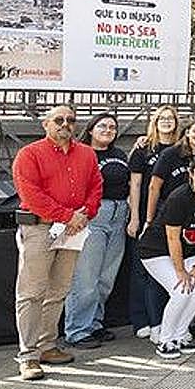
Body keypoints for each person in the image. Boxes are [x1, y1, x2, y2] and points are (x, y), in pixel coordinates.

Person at [11, 105, 103, 379]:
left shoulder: (86, 154)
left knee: (58, 290)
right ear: (46, 125)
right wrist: (67, 215)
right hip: (40, 229)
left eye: (71, 120)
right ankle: (28, 356)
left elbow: (96, 187)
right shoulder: (29, 154)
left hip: (73, 230)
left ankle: (47, 346)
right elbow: (30, 193)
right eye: (59, 120)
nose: (65, 124)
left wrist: (85, 213)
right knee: (31, 292)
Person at [138, 153, 195, 359]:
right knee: (181, 290)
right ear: (191, 173)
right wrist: (180, 271)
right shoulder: (179, 198)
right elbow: (173, 238)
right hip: (156, 250)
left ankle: (180, 335)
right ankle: (165, 341)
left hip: (190, 251)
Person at [63, 113, 130, 349]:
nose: (108, 130)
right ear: (91, 129)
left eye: (112, 127)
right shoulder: (79, 152)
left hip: (119, 213)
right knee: (86, 277)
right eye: (103, 126)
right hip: (94, 214)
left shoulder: (119, 154)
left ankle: (94, 324)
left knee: (105, 277)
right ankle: (78, 330)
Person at [127, 106, 177, 340]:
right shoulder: (144, 148)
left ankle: (166, 318)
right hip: (148, 212)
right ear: (154, 122)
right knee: (141, 270)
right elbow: (135, 185)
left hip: (173, 215)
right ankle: (141, 320)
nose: (167, 122)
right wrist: (135, 217)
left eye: (171, 119)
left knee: (166, 268)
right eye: (162, 118)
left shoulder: (181, 148)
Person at [147, 119, 195, 227]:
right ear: (187, 132)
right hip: (169, 208)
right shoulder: (170, 153)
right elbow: (154, 186)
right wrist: (149, 219)